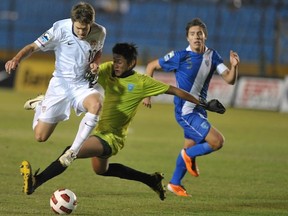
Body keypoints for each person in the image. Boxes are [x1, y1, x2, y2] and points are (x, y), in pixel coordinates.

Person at [19, 43, 224, 201]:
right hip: (99, 130)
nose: (116, 64)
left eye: (120, 61)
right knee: (102, 170)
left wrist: (203, 104)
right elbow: (87, 74)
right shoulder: (108, 70)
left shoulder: (142, 82)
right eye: (115, 60)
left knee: (70, 150)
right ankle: (150, 179)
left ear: (131, 63)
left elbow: (174, 90)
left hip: (112, 138)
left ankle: (35, 182)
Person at [143, 18, 240, 197]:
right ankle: (188, 156)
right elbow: (150, 67)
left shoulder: (213, 56)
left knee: (191, 144)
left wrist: (234, 67)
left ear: (205, 36)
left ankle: (174, 183)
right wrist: (147, 95)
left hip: (200, 110)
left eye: (200, 34)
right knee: (217, 141)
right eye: (193, 34)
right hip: (186, 111)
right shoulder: (180, 56)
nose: (196, 37)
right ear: (187, 38)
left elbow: (229, 79)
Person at [5, 2, 106, 163]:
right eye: (78, 28)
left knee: (96, 105)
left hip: (82, 85)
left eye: (85, 29)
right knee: (40, 136)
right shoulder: (59, 29)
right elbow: (33, 46)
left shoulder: (100, 31)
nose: (81, 32)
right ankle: (39, 105)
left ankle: (73, 151)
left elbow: (98, 51)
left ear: (91, 23)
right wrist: (16, 59)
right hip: (61, 85)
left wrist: (96, 63)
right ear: (72, 21)